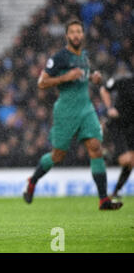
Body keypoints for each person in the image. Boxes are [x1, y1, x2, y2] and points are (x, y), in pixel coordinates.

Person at [22, 19, 122, 210]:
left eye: (79, 32)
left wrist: (93, 78)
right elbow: (42, 82)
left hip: (86, 108)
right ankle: (33, 181)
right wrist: (64, 77)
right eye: (72, 32)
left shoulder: (84, 57)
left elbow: (83, 78)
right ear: (67, 35)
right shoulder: (59, 57)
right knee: (58, 156)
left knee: (95, 147)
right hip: (66, 111)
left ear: (82, 35)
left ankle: (104, 200)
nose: (76, 35)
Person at [99, 69, 134, 199]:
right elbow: (104, 89)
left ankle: (116, 191)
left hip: (131, 126)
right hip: (118, 124)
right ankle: (107, 157)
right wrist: (109, 109)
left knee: (131, 162)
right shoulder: (125, 80)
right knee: (127, 160)